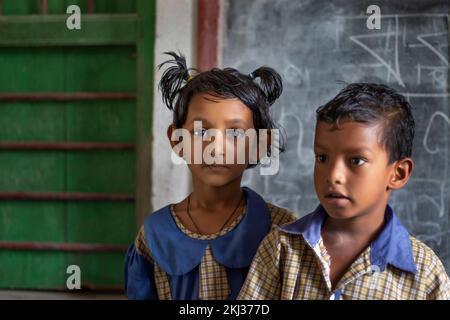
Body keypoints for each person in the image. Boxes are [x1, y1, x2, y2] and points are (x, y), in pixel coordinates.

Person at [238, 83, 450, 300]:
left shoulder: (425, 275)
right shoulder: (281, 249)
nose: (334, 175)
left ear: (398, 174)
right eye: (322, 158)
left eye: (356, 160)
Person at [124, 52, 296, 300]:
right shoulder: (153, 235)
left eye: (235, 134)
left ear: (260, 143)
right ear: (176, 139)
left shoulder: (282, 230)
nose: (216, 148)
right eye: (201, 131)